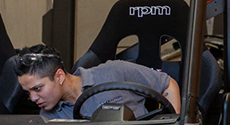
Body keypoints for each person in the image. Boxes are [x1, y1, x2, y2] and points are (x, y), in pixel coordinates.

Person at [13, 44, 181, 119]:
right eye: (28, 92)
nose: (33, 98)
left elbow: (167, 85)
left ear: (59, 76)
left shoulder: (114, 71)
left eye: (38, 89)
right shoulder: (48, 118)